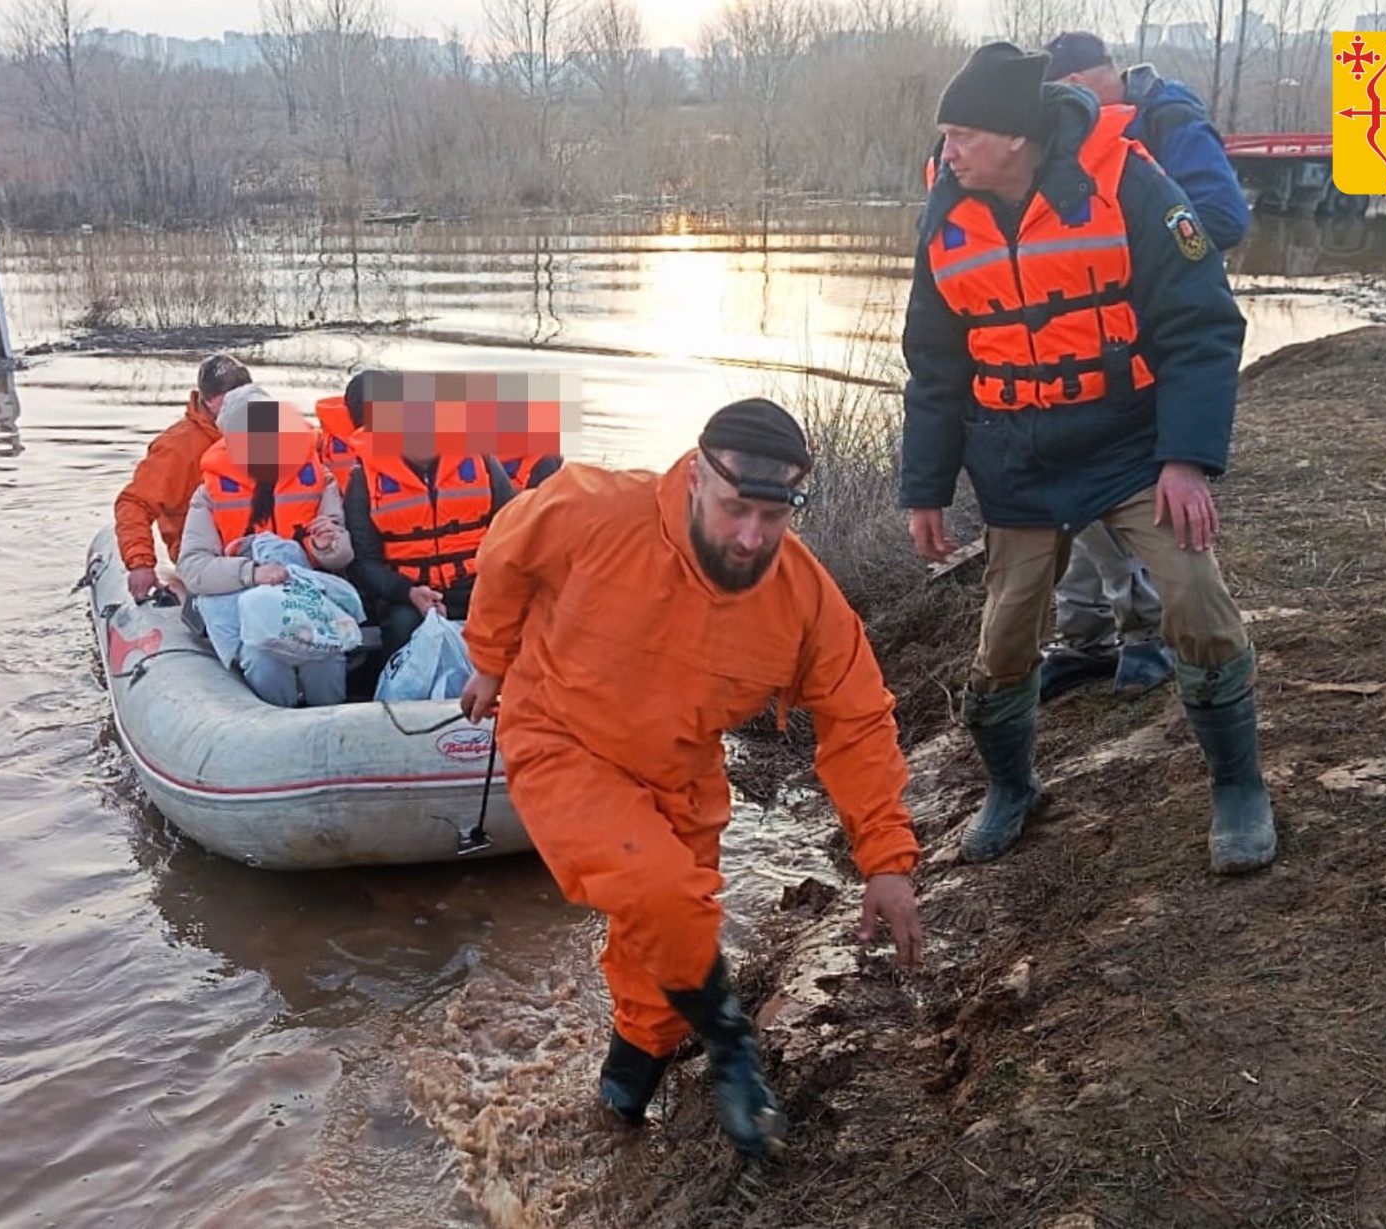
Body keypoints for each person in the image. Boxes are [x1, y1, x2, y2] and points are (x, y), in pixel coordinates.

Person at [457, 399, 924, 1158]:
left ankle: (618, 1112)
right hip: (561, 736)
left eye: (772, 517)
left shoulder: (802, 598)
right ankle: (732, 1042)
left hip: (680, 775)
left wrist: (886, 858)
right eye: (737, 508)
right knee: (658, 891)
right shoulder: (596, 508)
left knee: (660, 967)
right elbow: (507, 552)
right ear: (697, 476)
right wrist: (488, 657)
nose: (751, 537)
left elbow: (858, 718)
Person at [899, 42, 1276, 876]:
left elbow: (1201, 325)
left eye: (961, 134)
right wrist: (925, 488)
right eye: (947, 136)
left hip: (1132, 445)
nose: (947, 151)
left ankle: (1239, 787)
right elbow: (934, 361)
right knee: (1002, 642)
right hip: (1017, 460)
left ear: (1014, 137)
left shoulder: (1131, 185)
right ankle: (1010, 786)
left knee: (1194, 598)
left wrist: (1186, 460)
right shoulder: (947, 209)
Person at [1035, 31, 1254, 701]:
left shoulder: (1167, 120)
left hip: (1152, 335)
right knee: (1077, 495)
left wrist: (1140, 245)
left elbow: (1222, 216)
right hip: (1093, 339)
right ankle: (1086, 636)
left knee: (1121, 491)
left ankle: (1149, 635)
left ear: (1094, 77)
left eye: (1074, 95)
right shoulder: (1072, 137)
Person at [177, 383, 356, 708]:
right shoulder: (209, 494)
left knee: (327, 660)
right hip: (246, 603)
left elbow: (342, 555)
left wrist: (327, 545)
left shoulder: (319, 479)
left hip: (306, 601)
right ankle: (278, 725)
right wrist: (253, 573)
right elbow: (192, 568)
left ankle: (333, 726)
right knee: (263, 658)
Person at [342, 371, 520, 664]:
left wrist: (496, 583)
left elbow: (515, 529)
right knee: (401, 628)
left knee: (523, 619)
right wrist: (409, 592)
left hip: (481, 585)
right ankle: (397, 702)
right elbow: (363, 563)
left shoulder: (481, 462)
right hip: (408, 595)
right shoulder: (364, 479)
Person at [115, 354, 253, 603]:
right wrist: (140, 563)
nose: (241, 402)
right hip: (205, 562)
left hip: (260, 553)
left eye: (244, 393)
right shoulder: (177, 448)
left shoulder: (271, 432)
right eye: (231, 395)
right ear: (209, 400)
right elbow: (134, 503)